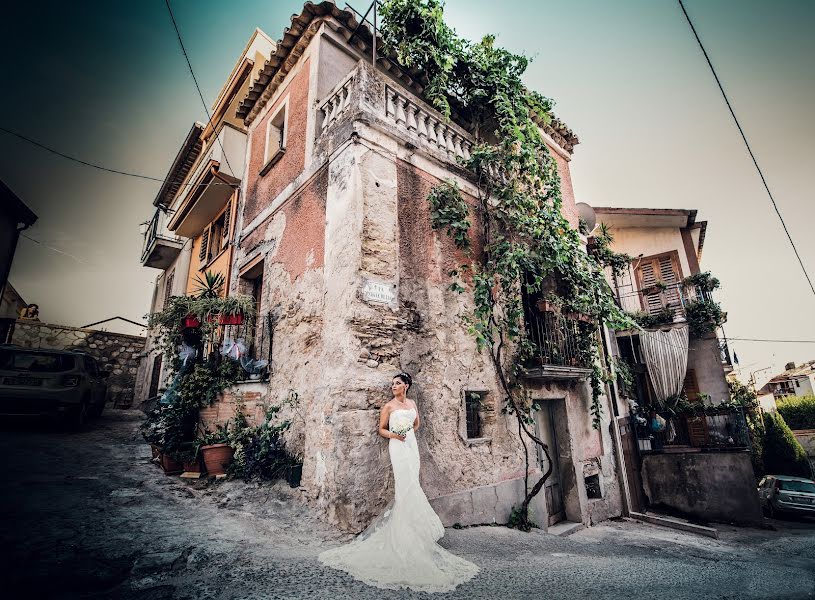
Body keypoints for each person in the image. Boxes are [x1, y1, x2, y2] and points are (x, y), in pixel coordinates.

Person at [318, 372, 479, 593]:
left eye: (397, 383)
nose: (394, 386)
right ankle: (405, 535)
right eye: (392, 384)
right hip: (397, 447)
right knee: (405, 487)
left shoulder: (411, 403)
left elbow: (417, 423)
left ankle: (416, 532)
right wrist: (396, 435)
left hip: (411, 447)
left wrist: (408, 433)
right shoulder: (388, 406)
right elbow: (381, 429)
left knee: (414, 482)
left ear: (406, 386)